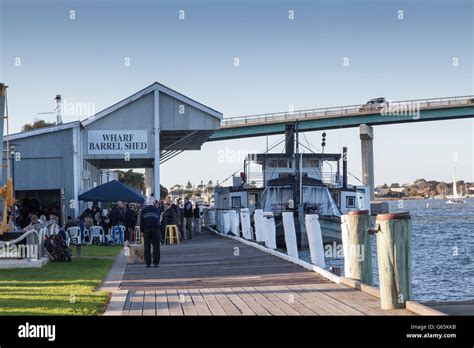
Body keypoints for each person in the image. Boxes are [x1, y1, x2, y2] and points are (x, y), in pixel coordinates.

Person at [140, 196, 162, 268]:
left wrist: (142, 231)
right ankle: (156, 263)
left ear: (147, 202)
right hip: (156, 229)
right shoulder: (156, 209)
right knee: (156, 246)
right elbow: (158, 219)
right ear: (153, 202)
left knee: (147, 246)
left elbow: (141, 221)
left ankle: (148, 263)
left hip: (147, 229)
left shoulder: (144, 210)